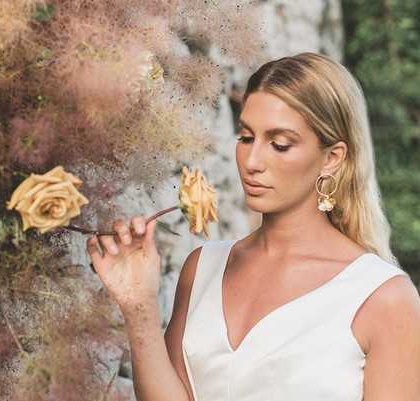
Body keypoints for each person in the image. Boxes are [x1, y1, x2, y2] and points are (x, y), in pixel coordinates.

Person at [86, 52, 420, 401]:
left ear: (332, 158)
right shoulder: (202, 268)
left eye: (279, 144)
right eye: (246, 138)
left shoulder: (383, 298)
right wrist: (138, 305)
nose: (253, 162)